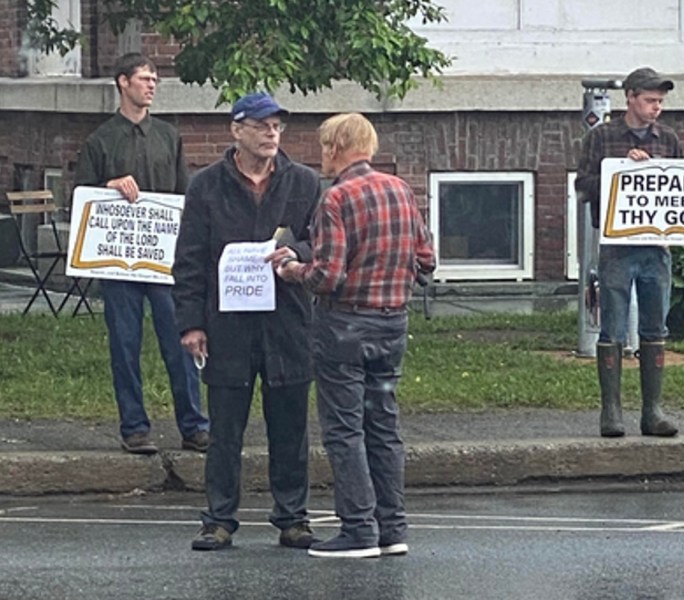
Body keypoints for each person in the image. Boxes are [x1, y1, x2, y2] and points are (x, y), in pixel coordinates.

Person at [276, 113, 436, 558]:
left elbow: (327, 275)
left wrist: (292, 271)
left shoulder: (335, 199)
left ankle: (358, 530)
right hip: (393, 324)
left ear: (336, 148)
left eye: (325, 146)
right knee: (383, 426)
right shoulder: (401, 190)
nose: (321, 156)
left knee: (345, 430)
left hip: (344, 327)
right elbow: (427, 258)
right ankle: (393, 528)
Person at [172, 92, 321, 552]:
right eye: (261, 126)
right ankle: (218, 519)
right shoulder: (206, 185)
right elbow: (191, 258)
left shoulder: (304, 183)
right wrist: (191, 324)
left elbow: (323, 244)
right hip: (228, 324)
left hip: (287, 321)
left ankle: (293, 518)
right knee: (225, 430)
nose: (271, 134)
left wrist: (299, 252)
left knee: (290, 427)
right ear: (236, 130)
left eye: (277, 126)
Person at [74, 53, 209, 455]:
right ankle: (134, 427)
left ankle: (194, 425)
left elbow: (185, 199)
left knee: (181, 339)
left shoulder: (169, 136)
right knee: (125, 344)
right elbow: (81, 200)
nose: (151, 85)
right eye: (144, 79)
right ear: (122, 83)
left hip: (164, 260)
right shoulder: (100, 140)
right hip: (118, 262)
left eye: (154, 80)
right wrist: (109, 185)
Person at [575, 67, 681, 439]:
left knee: (656, 326)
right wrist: (618, 171)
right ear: (631, 98)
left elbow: (681, 186)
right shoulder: (602, 137)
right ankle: (612, 412)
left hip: (657, 247)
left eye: (661, 102)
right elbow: (582, 184)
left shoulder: (667, 139)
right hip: (617, 246)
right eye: (651, 100)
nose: (657, 108)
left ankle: (652, 411)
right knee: (613, 326)